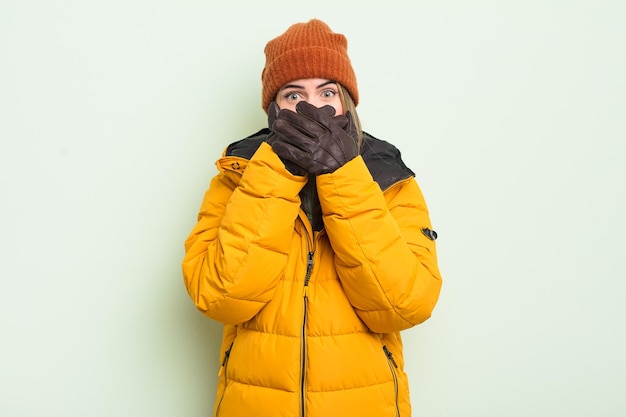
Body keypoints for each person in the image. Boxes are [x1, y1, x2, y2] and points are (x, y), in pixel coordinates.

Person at [182, 18, 443, 417]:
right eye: (293, 95)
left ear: (346, 103)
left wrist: (343, 176)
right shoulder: (238, 174)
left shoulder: (389, 177)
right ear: (273, 108)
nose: (312, 108)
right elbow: (219, 297)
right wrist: (276, 171)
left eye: (327, 91)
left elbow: (404, 305)